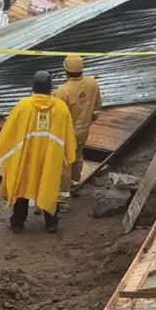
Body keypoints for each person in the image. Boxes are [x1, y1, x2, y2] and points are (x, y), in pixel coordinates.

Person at [0, 71, 76, 234]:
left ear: (33, 87)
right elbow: (68, 136)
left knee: (23, 186)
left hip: (27, 158)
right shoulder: (61, 108)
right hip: (50, 159)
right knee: (49, 187)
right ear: (51, 87)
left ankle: (18, 222)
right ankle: (51, 223)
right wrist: (67, 157)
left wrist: (7, 153)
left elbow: (9, 132)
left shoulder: (23, 105)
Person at [53, 56, 102, 213]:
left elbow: (56, 118)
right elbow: (97, 109)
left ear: (65, 70)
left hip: (67, 135)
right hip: (83, 131)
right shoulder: (92, 83)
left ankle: (64, 200)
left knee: (65, 165)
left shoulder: (62, 92)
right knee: (78, 157)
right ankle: (75, 186)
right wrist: (87, 121)